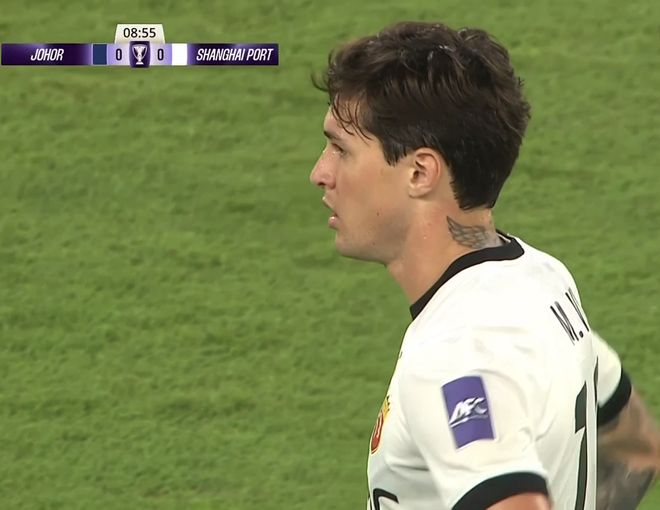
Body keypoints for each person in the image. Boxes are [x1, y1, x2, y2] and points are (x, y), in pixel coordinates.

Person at [308, 21, 660, 510]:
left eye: (341, 150)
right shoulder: (543, 278)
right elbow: (636, 452)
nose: (320, 173)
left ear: (419, 172)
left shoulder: (453, 354)